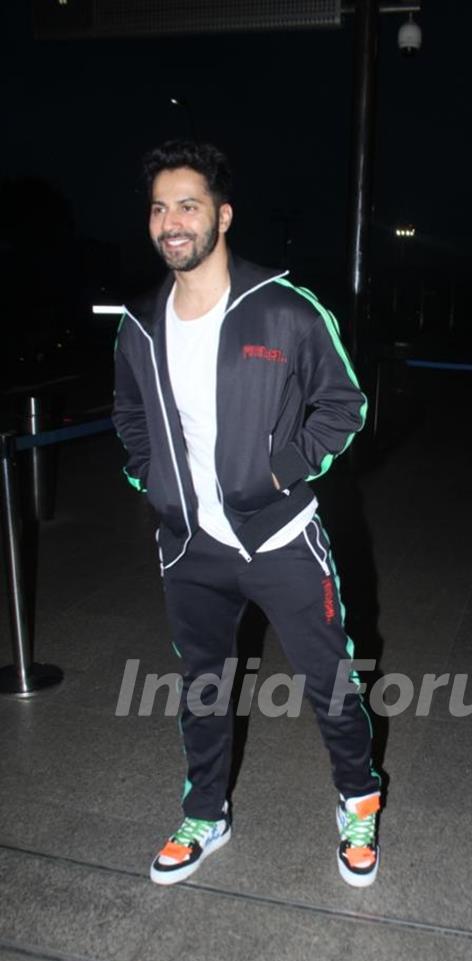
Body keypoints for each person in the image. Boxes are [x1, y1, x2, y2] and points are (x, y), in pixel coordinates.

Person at [112, 140, 381, 888]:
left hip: (282, 536)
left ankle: (358, 799)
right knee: (202, 685)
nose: (172, 222)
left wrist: (280, 471)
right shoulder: (138, 322)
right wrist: (153, 483)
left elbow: (345, 405)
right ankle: (206, 812)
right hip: (189, 543)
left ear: (222, 216)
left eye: (188, 205)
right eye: (160, 208)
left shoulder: (285, 309)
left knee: (331, 682)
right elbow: (129, 415)